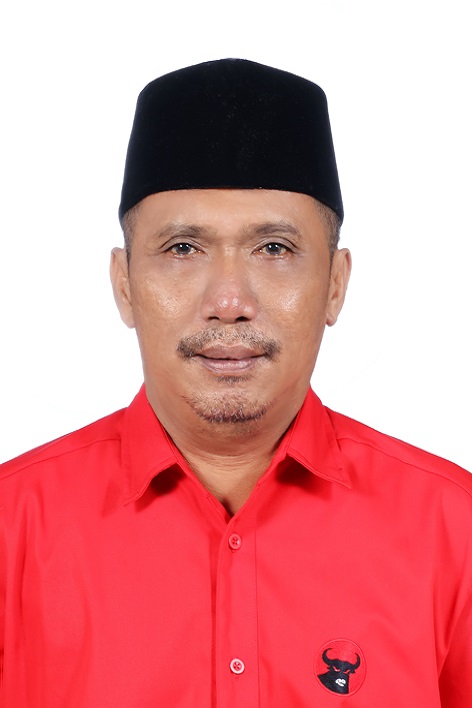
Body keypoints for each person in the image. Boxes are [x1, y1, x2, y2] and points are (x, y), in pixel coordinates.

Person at [1, 59, 471, 708]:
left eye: (274, 248)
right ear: (124, 286)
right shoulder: (13, 530)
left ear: (335, 285)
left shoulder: (453, 532)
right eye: (183, 248)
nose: (228, 302)